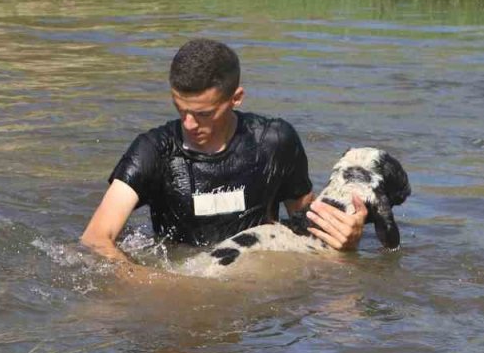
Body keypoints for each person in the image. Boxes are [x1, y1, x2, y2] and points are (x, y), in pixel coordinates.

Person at [80, 38, 366, 264]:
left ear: (236, 98)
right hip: (185, 273)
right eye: (180, 109)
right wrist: (162, 286)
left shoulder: (276, 141)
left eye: (203, 114)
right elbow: (95, 239)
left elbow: (306, 226)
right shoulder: (153, 150)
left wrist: (346, 238)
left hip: (260, 277)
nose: (189, 124)